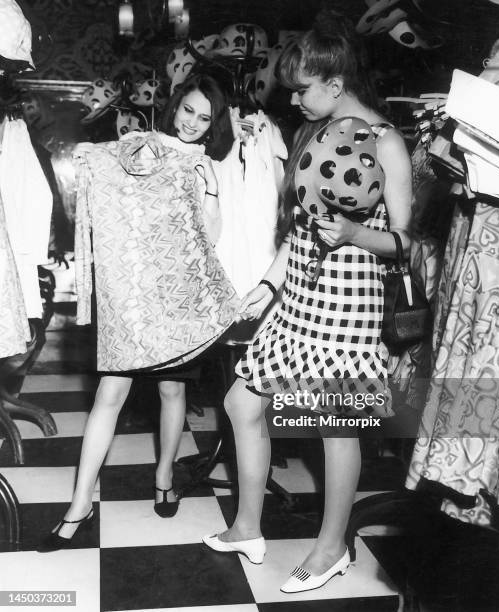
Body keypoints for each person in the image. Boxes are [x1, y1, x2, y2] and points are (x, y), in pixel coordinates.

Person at [203, 11, 412, 593]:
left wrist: (352, 234)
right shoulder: (312, 135)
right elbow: (297, 229)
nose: (294, 99)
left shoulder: (386, 142)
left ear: (336, 85)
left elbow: (405, 241)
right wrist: (268, 287)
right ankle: (247, 526)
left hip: (348, 301)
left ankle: (332, 549)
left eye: (303, 88)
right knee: (241, 404)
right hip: (296, 298)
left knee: (334, 427)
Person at [38, 74, 235, 552]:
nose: (191, 123)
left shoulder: (205, 165)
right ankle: (79, 504)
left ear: (214, 126)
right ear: (174, 108)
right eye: (187, 111)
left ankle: (164, 477)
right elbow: (114, 186)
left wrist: (209, 190)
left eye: (204, 118)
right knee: (109, 395)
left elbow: (209, 239)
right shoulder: (142, 145)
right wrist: (90, 155)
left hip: (178, 299)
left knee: (172, 393)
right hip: (131, 298)